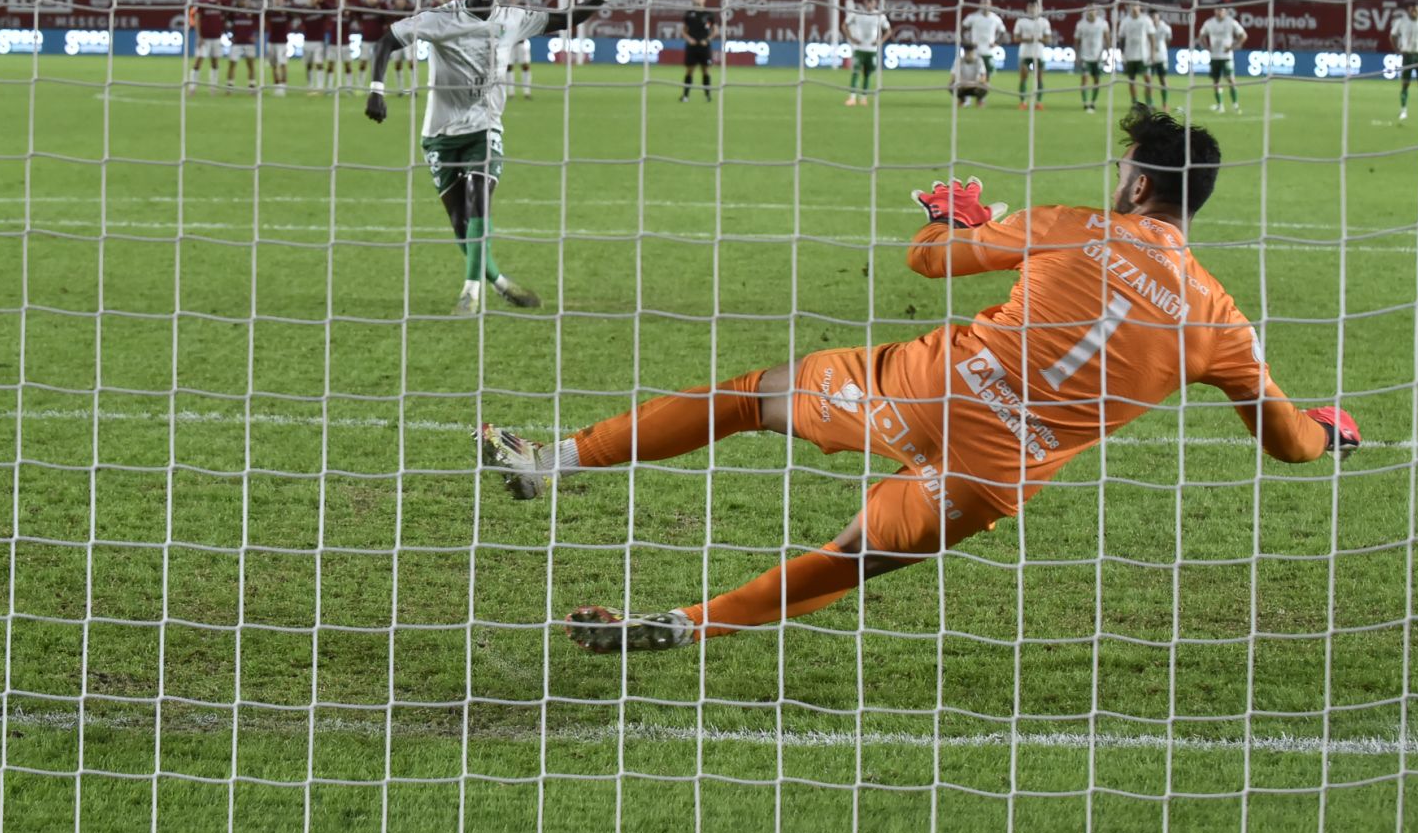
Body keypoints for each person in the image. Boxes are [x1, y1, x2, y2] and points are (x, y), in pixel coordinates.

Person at [480, 105, 1363, 654]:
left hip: (927, 387)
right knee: (846, 560)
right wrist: (1329, 430)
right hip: (994, 468)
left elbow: (925, 260)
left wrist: (953, 214)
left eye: (1123, 169)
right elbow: (1288, 446)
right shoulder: (1222, 323)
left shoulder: (1068, 223)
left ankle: (550, 461)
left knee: (750, 397)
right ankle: (686, 625)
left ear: (1136, 189)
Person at [365, 0, 626, 315]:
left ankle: (470, 293)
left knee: (478, 202)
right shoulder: (441, 19)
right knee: (461, 224)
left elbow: (567, 18)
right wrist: (376, 90)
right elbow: (385, 43)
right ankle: (499, 282)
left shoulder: (513, 18)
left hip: (485, 128)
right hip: (440, 133)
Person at [842, 0, 892, 107]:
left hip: (872, 50)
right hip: (859, 48)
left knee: (867, 74)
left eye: (872, 2)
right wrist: (851, 38)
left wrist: (880, 41)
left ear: (875, 3)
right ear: (865, 2)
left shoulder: (879, 15)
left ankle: (864, 98)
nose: (870, 5)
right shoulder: (856, 13)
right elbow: (844, 26)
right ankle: (852, 98)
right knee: (855, 72)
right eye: (868, 2)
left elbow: (889, 31)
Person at [1197, 4, 1246, 113]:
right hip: (1214, 57)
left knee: (1231, 80)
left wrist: (1233, 47)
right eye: (1217, 10)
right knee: (1216, 81)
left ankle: (1235, 105)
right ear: (1214, 11)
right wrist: (1207, 47)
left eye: (1221, 10)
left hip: (1226, 57)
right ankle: (1220, 105)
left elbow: (1243, 35)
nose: (1219, 12)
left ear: (1225, 11)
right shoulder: (1209, 23)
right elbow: (1201, 36)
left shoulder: (1231, 22)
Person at [186, 0, 224, 97]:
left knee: (214, 62)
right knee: (198, 61)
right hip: (205, 38)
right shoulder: (201, 2)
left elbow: (225, 17)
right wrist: (199, 36)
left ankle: (213, 87)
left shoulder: (221, 1)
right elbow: (197, 19)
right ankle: (192, 87)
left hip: (216, 37)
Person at [1012, 0, 1053, 110]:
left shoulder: (1044, 22)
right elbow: (1015, 38)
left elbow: (1048, 39)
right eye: (1030, 7)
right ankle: (1023, 102)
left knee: (1039, 78)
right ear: (1027, 8)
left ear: (1039, 8)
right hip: (1025, 53)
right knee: (1023, 77)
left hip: (1039, 53)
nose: (1032, 9)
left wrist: (1038, 39)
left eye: (1034, 6)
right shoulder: (1021, 21)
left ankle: (1038, 102)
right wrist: (1028, 39)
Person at [682, 0, 719, 102]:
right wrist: (689, 39)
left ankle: (707, 96)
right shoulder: (689, 14)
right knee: (689, 71)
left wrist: (707, 40)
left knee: (706, 71)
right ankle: (685, 96)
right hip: (692, 47)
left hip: (704, 47)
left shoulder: (709, 14)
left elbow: (715, 30)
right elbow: (684, 31)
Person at [1072, 5, 1110, 112]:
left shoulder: (1103, 23)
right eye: (1089, 10)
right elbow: (1076, 41)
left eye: (1093, 10)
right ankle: (1085, 103)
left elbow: (1107, 39)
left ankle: (1093, 102)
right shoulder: (1080, 24)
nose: (1091, 12)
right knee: (1085, 78)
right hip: (1085, 56)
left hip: (1098, 57)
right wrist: (1076, 55)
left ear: (1096, 11)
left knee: (1097, 80)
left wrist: (1108, 54)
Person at [224, 0, 260, 92]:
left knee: (251, 64)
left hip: (249, 42)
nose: (243, 1)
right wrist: (229, 36)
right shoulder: (233, 11)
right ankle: (229, 86)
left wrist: (256, 36)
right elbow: (225, 23)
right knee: (232, 64)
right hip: (237, 43)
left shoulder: (253, 11)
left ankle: (252, 86)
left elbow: (262, 24)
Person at [503, 0, 536, 100]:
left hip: (522, 42)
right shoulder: (504, 9)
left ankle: (527, 91)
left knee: (525, 65)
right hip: (509, 43)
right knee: (508, 67)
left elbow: (528, 23)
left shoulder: (524, 8)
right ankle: (510, 92)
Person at [1116, 1, 1152, 106]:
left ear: (1139, 7)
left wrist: (1152, 53)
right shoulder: (1125, 21)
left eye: (1136, 6)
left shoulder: (1146, 20)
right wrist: (1122, 54)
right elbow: (1121, 38)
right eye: (1132, 6)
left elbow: (1151, 37)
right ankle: (1135, 103)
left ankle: (1149, 102)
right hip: (1129, 56)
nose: (1134, 8)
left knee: (1148, 79)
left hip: (1143, 55)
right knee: (1132, 80)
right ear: (1130, 7)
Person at [959, 0, 1007, 68]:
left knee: (987, 76)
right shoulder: (973, 17)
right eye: (983, 3)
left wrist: (997, 43)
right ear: (980, 5)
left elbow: (1003, 32)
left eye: (987, 3)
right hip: (975, 51)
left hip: (989, 52)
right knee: (975, 75)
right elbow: (962, 29)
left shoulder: (995, 19)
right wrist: (966, 42)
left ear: (990, 5)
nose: (985, 5)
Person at [264, 0, 292, 97]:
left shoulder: (287, 12)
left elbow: (295, 16)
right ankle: (277, 85)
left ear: (283, 0)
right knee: (274, 65)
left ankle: (283, 86)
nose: (278, 0)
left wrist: (286, 10)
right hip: (271, 42)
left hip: (282, 43)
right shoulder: (270, 12)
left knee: (283, 64)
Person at [1146, 9, 1174, 109]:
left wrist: (1163, 48)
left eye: (1155, 16)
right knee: (1148, 81)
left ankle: (1165, 104)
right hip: (1149, 57)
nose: (1153, 19)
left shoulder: (1165, 27)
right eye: (1151, 17)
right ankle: (1149, 104)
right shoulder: (1147, 27)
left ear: (1158, 17)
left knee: (1163, 80)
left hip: (1162, 57)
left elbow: (1168, 40)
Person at [951, 44, 990, 108]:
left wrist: (973, 84)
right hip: (962, 85)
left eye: (970, 52)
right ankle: (962, 99)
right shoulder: (959, 60)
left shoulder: (979, 61)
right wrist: (962, 83)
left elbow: (983, 77)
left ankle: (979, 99)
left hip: (975, 86)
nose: (968, 54)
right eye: (967, 52)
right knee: (951, 85)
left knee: (986, 86)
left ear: (974, 52)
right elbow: (953, 76)